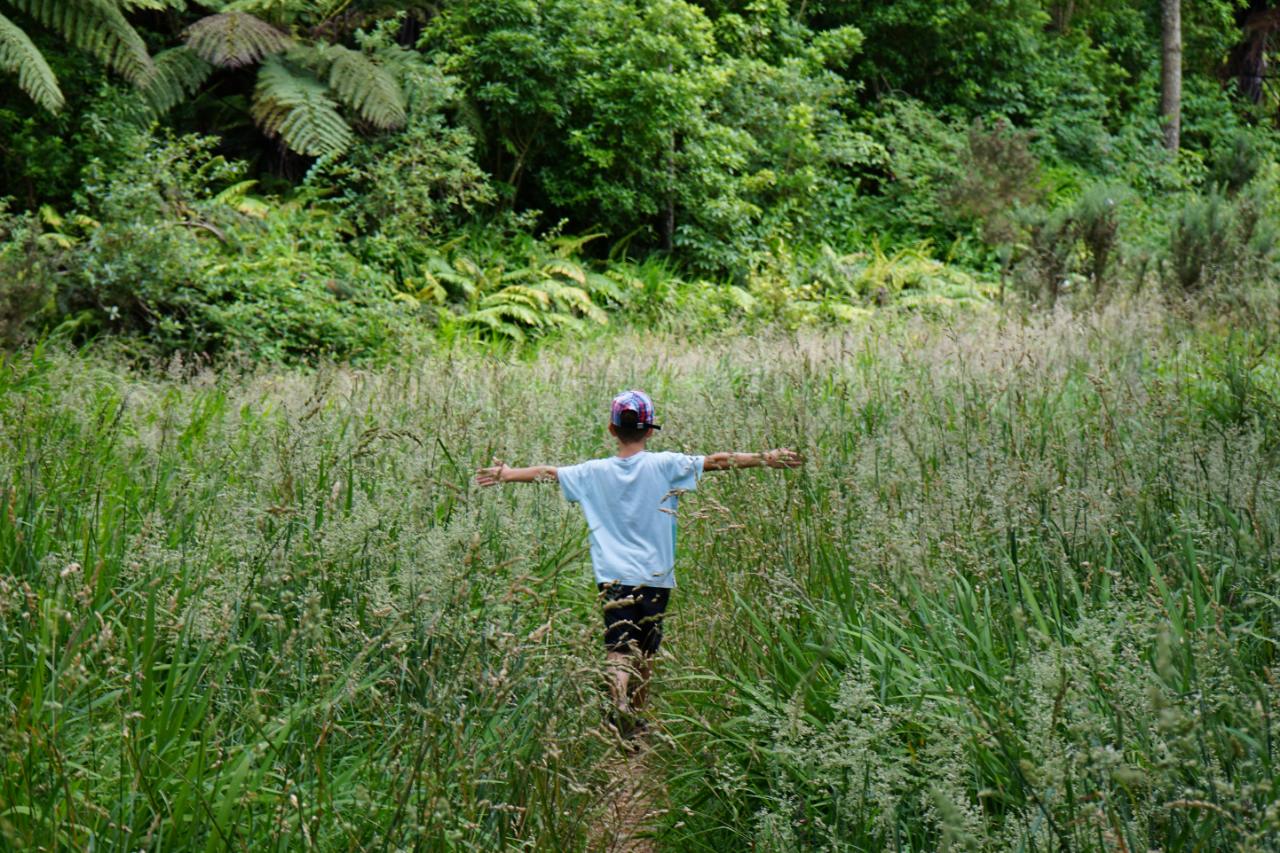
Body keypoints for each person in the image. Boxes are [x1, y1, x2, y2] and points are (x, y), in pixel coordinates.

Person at [475, 389, 804, 740]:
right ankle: (636, 718)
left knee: (617, 650)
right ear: (649, 431)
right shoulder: (666, 465)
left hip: (612, 577)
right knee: (645, 653)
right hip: (656, 577)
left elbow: (549, 472)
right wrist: (766, 458)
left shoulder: (592, 472)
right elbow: (718, 461)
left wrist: (507, 474)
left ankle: (617, 710)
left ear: (612, 429)